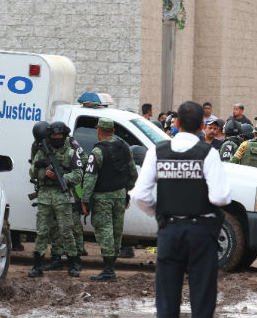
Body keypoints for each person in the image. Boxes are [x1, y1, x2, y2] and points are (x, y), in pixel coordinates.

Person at [131, 101, 231, 318]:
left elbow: (139, 195)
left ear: (176, 123)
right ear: (201, 126)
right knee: (202, 297)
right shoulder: (208, 153)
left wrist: (160, 213)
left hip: (170, 230)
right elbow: (221, 197)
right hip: (201, 232)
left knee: (166, 298)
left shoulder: (158, 151)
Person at [80, 118, 138, 281]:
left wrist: (85, 199)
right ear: (113, 131)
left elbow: (90, 177)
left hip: (102, 198)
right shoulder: (124, 147)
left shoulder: (97, 152)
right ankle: (110, 267)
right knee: (116, 231)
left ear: (98, 131)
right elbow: (133, 173)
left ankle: (108, 271)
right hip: (120, 195)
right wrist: (126, 190)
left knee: (105, 231)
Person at [28, 122, 83, 278]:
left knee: (66, 231)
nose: (57, 139)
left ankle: (73, 264)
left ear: (64, 137)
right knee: (42, 232)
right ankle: (37, 266)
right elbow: (32, 174)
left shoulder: (71, 153)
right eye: (54, 136)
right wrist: (38, 166)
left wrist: (62, 177)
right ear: (49, 137)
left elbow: (78, 175)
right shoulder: (42, 152)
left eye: (60, 136)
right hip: (45, 195)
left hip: (62, 195)